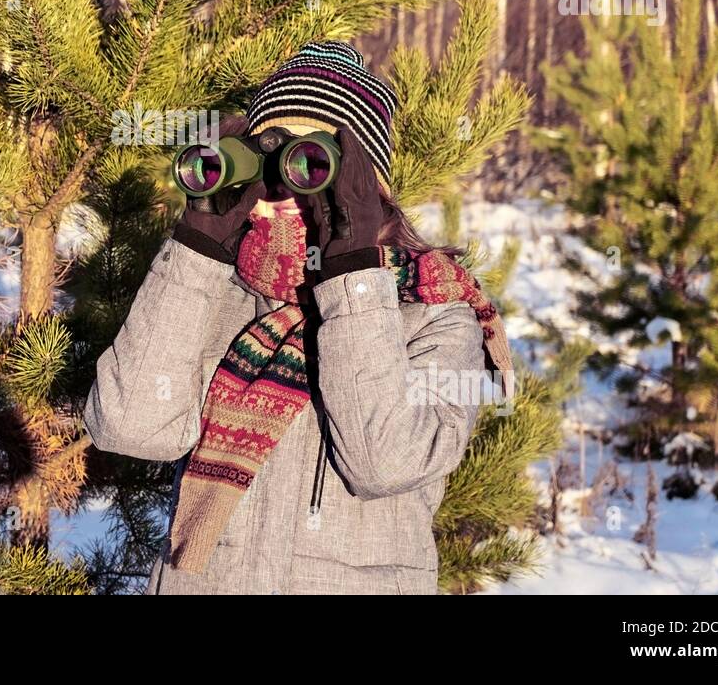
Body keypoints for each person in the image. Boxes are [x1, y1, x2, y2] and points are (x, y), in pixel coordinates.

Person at [83, 41, 515, 595]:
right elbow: (129, 426)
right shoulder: (216, 289)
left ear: (366, 188)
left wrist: (353, 273)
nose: (285, 187)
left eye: (312, 164)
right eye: (269, 164)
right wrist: (194, 251)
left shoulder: (434, 311)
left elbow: (385, 462)